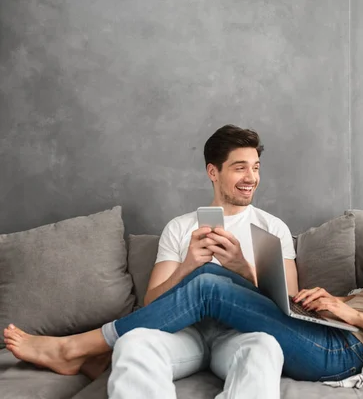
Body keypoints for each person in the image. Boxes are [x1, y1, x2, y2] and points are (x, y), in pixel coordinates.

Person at [4, 148, 363, 388]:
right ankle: (89, 350)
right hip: (326, 327)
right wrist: (331, 303)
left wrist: (352, 316)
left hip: (347, 349)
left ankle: (78, 348)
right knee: (214, 273)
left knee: (208, 283)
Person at [5, 124, 298, 399]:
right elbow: (152, 302)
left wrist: (242, 269)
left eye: (255, 168)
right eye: (240, 168)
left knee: (265, 347)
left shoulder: (272, 229)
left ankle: (78, 348)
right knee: (133, 342)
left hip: (240, 335)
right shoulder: (180, 228)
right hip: (186, 335)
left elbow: (289, 306)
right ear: (213, 172)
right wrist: (187, 267)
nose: (251, 178)